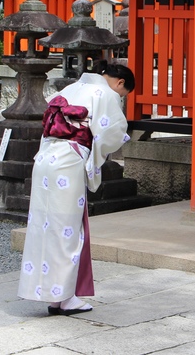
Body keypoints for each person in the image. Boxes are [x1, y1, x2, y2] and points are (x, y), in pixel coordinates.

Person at [17, 62, 135, 315]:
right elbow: (113, 132)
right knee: (68, 230)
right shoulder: (104, 93)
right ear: (120, 83)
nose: (119, 98)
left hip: (46, 158)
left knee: (44, 227)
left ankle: (52, 295)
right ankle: (67, 297)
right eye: (122, 95)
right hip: (68, 161)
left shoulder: (71, 87)